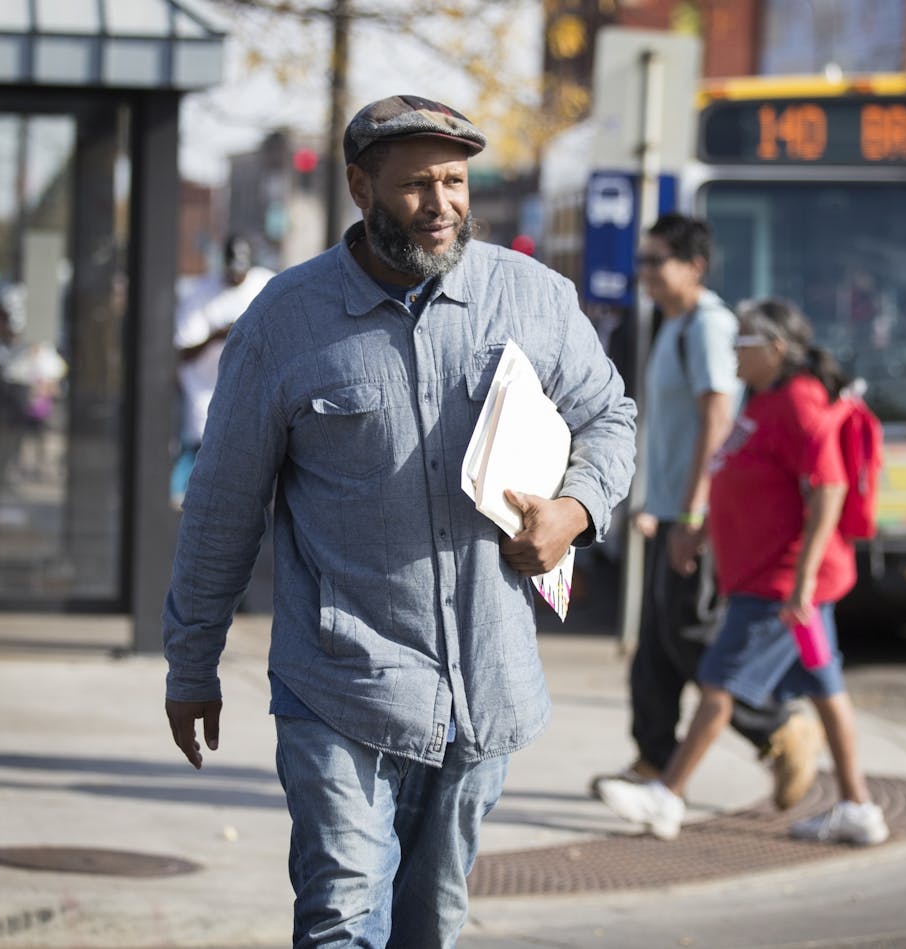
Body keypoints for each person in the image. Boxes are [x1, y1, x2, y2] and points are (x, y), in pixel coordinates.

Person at [162, 94, 636, 948]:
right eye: (417, 184)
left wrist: (575, 508)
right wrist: (191, 660)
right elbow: (224, 505)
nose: (442, 203)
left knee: (431, 924)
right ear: (359, 187)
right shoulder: (285, 322)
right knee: (342, 917)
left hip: (486, 689)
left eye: (454, 181)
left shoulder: (530, 298)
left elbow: (611, 418)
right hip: (341, 686)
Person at [596, 298, 888, 846]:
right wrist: (702, 529)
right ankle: (858, 807)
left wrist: (800, 582)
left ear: (776, 350)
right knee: (827, 689)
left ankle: (667, 797)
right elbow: (737, 472)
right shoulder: (766, 398)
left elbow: (829, 488)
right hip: (780, 582)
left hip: (781, 586)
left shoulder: (800, 404)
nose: (733, 350)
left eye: (744, 342)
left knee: (718, 683)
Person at [591, 214, 821, 811]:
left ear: (694, 266)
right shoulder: (674, 325)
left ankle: (777, 727)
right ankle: (652, 757)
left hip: (697, 516)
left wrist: (692, 515)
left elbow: (718, 419)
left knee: (691, 638)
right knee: (655, 647)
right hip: (667, 510)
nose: (643, 272)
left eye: (656, 260)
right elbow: (666, 429)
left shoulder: (712, 328)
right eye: (641, 260)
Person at [170, 234, 274, 504]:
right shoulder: (201, 293)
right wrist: (216, 336)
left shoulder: (266, 284)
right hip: (205, 393)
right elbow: (181, 352)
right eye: (232, 270)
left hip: (253, 393)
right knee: (198, 463)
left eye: (242, 270)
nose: (236, 276)